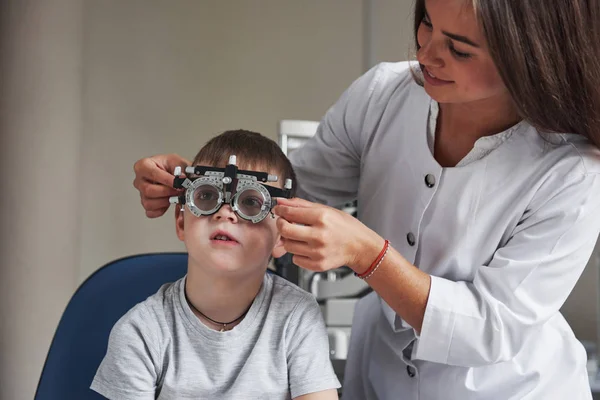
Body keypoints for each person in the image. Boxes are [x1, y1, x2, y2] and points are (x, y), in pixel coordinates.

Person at [132, 0, 600, 398]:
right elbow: (294, 193)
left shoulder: (574, 172)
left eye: (458, 48)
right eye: (427, 23)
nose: (427, 53)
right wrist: (201, 181)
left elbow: (490, 327)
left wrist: (369, 256)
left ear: (529, 57)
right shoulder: (384, 95)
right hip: (380, 378)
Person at [93, 130, 340, 400]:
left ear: (282, 237)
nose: (225, 212)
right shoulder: (141, 332)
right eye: (207, 196)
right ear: (180, 221)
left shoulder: (296, 315)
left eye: (251, 202)